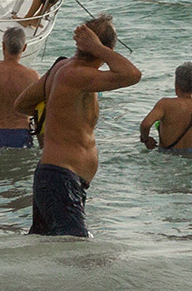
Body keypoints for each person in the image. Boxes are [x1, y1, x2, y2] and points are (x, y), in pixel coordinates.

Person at [13, 16, 141, 236]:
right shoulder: (77, 75)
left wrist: (57, 116)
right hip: (61, 179)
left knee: (52, 255)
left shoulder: (61, 68)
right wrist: (99, 49)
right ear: (104, 46)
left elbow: (23, 104)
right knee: (80, 257)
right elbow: (132, 75)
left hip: (55, 177)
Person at [140, 62, 192, 154]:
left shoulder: (164, 104)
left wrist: (146, 139)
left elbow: (145, 124)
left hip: (167, 157)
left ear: (176, 85)